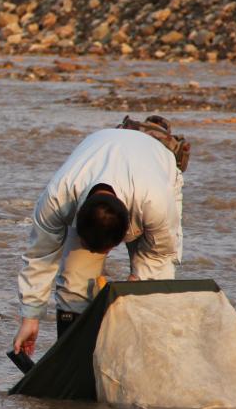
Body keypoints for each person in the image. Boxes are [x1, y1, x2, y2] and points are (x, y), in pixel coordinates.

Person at [11, 117, 189, 358]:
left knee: (150, 293)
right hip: (99, 149)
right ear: (77, 221)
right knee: (74, 283)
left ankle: (147, 358)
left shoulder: (155, 202)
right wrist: (30, 317)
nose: (103, 256)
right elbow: (40, 255)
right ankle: (72, 360)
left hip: (156, 165)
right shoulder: (58, 197)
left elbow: (161, 254)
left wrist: (138, 281)